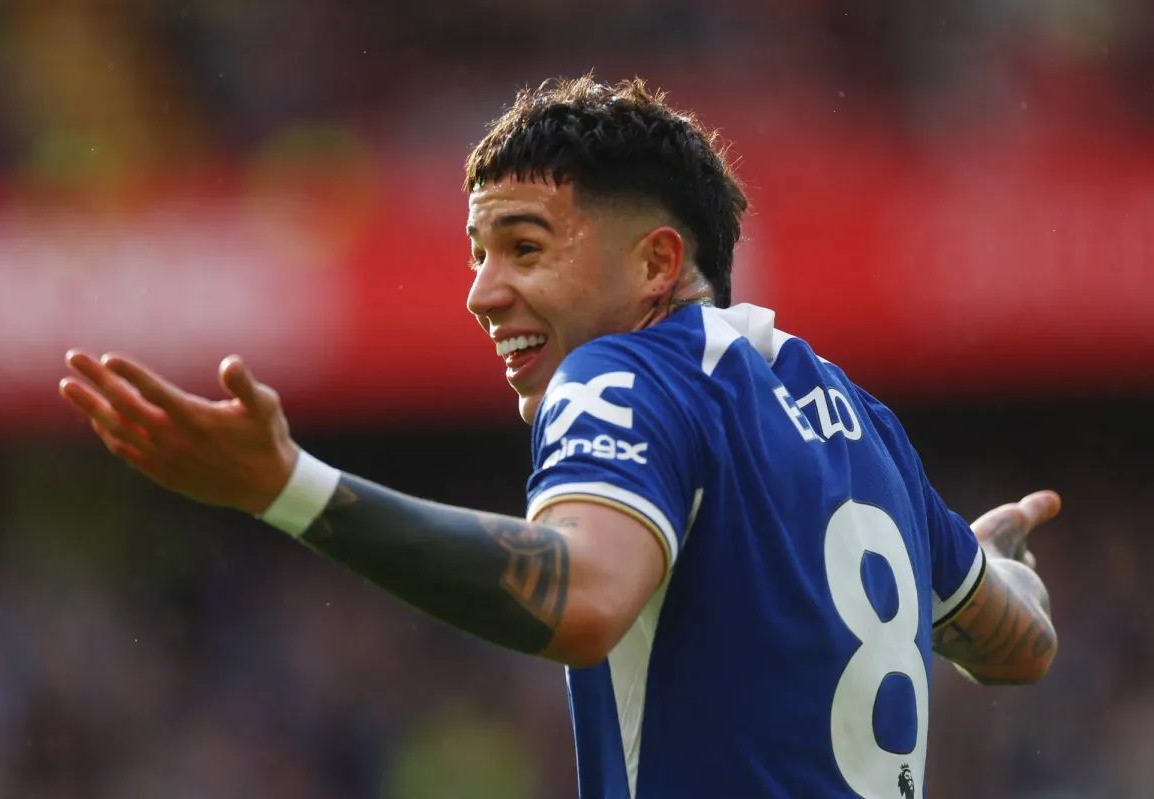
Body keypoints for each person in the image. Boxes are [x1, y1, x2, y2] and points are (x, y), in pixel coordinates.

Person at [58, 75, 1059, 798]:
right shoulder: (865, 427)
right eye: (477, 254)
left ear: (657, 263)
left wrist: (289, 489)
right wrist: (996, 563)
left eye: (525, 247)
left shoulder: (626, 373)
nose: (482, 293)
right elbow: (1018, 646)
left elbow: (581, 599)